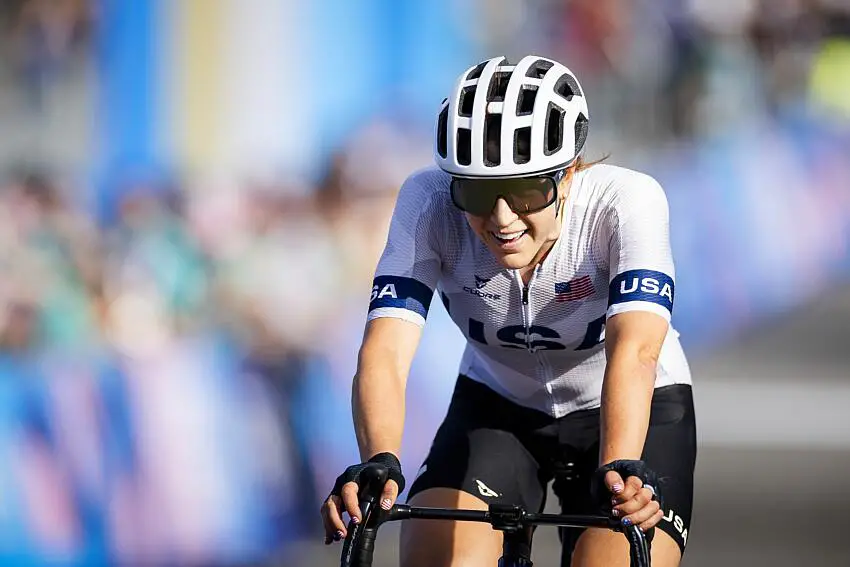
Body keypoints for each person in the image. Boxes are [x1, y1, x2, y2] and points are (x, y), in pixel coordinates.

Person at [320, 55, 696, 567]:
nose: (501, 219)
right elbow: (384, 352)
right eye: (476, 192)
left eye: (524, 191)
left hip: (629, 407)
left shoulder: (625, 202)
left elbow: (635, 351)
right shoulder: (429, 202)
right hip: (498, 405)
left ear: (568, 175)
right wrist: (379, 459)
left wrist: (620, 465)